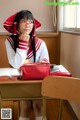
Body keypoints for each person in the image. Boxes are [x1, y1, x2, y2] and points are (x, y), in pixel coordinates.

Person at [3, 10, 50, 120]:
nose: (28, 24)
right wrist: (23, 44)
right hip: (20, 80)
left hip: (37, 81)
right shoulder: (9, 41)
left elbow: (46, 65)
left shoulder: (40, 43)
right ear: (16, 24)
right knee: (26, 105)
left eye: (30, 21)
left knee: (38, 105)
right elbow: (16, 64)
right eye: (23, 21)